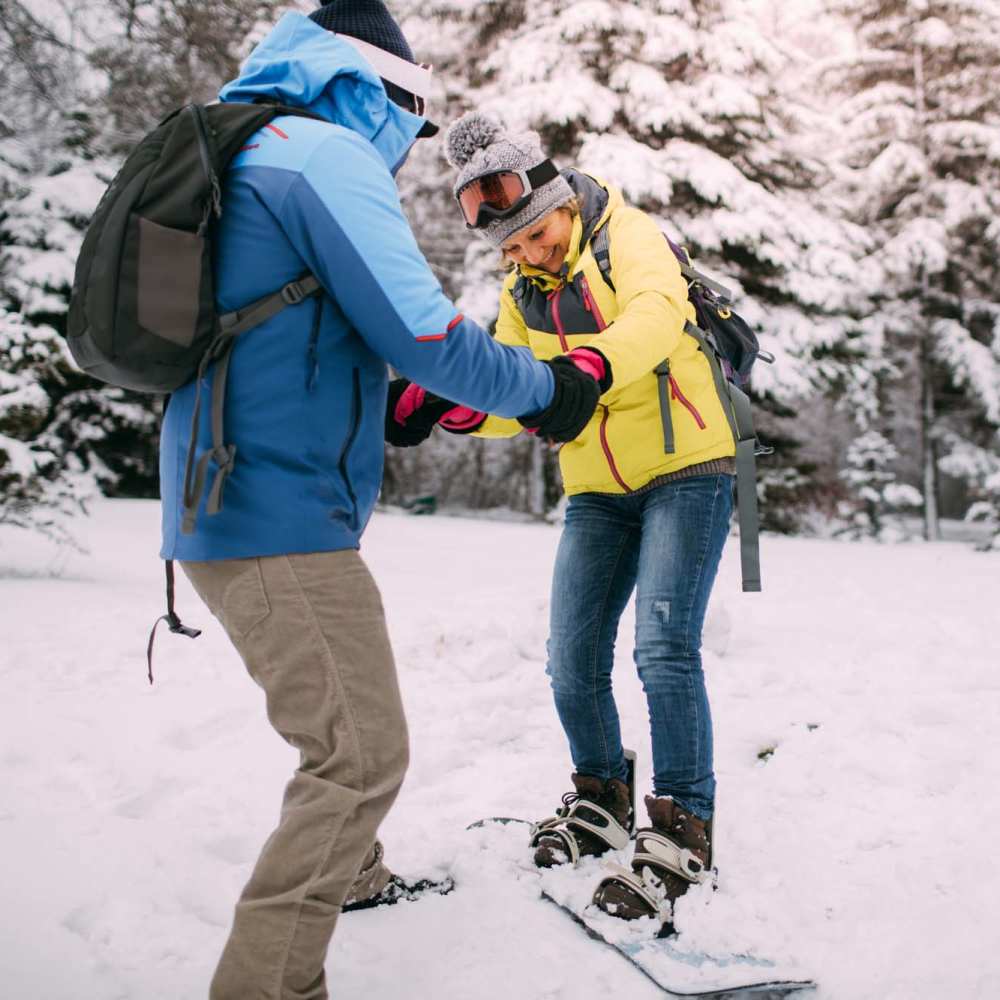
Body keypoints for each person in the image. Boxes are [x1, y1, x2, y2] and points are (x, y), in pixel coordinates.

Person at [158, 7, 603, 998]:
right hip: (272, 512)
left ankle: (352, 876)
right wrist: (552, 393)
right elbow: (427, 335)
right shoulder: (320, 155)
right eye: (409, 117)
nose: (406, 148)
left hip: (224, 495)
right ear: (381, 89)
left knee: (341, 728)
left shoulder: (247, 148)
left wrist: (394, 401)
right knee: (359, 756)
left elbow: (316, 329)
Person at [388, 112, 737, 932]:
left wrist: (583, 364)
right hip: (595, 486)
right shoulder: (523, 290)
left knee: (663, 647)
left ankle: (684, 830)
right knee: (570, 656)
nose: (526, 254)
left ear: (558, 202)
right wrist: (459, 405)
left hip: (689, 468)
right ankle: (600, 801)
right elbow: (525, 392)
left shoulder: (630, 233)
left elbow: (651, 320)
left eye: (535, 235)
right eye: (508, 248)